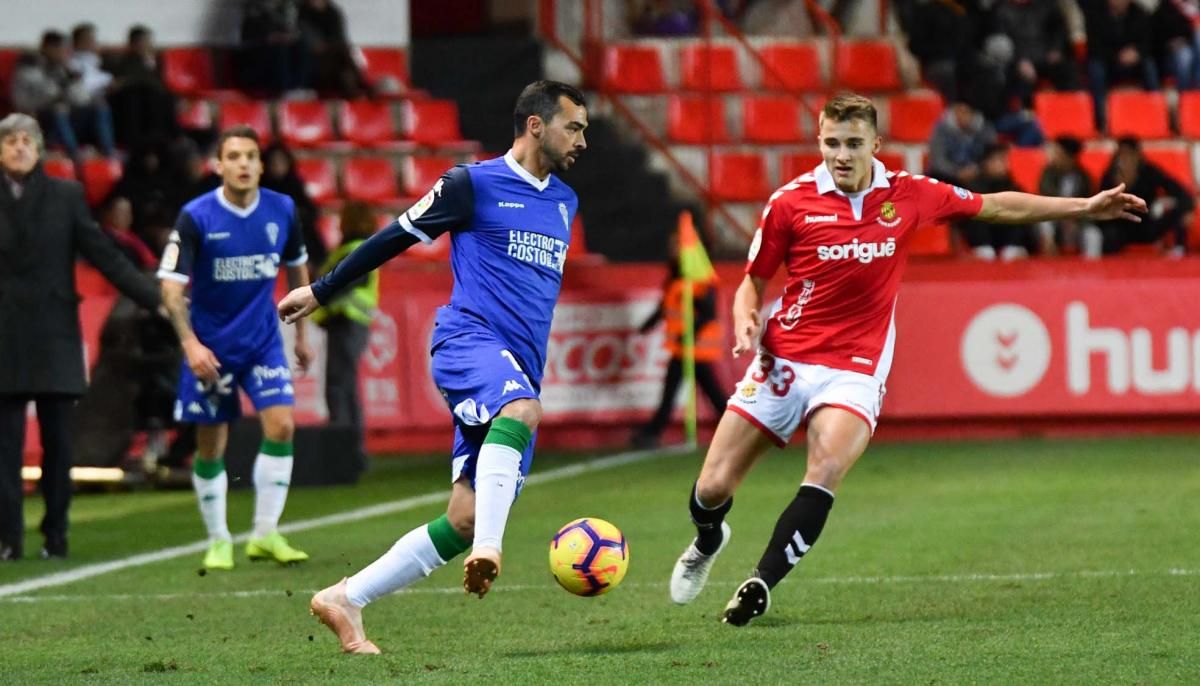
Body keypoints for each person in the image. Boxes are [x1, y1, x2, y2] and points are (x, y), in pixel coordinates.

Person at [666, 93, 1146, 627]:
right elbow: (752, 281)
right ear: (819, 141)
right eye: (831, 143)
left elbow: (995, 204)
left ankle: (760, 582)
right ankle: (709, 538)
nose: (841, 155)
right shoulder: (790, 203)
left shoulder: (908, 194)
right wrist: (746, 319)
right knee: (711, 489)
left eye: (852, 143)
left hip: (855, 367)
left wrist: (1083, 207)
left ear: (876, 144)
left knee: (825, 465)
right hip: (785, 360)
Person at [276, 80, 588, 654]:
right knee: (522, 411)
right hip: (467, 343)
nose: (583, 140)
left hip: (518, 366)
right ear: (536, 125)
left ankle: (345, 598)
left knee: (463, 516)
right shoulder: (471, 184)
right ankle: (490, 550)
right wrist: (321, 291)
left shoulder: (565, 202)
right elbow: (394, 237)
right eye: (575, 126)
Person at [0, 113, 160, 561]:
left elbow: (106, 256)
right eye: (10, 140)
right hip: (5, 337)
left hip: (54, 336)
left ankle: (56, 537)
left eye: (26, 140)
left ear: (39, 149)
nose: (18, 147)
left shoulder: (66, 196)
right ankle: (7, 539)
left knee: (59, 446)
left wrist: (156, 298)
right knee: (4, 449)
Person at [157, 125, 314, 571]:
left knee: (282, 426)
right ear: (218, 165)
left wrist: (302, 334)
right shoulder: (196, 216)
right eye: (234, 156)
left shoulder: (282, 209)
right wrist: (190, 345)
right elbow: (170, 290)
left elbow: (298, 270)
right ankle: (219, 538)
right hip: (211, 347)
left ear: (261, 165)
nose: (243, 164)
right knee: (211, 445)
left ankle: (264, 533)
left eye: (251, 156)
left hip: (263, 340)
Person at [631, 228, 727, 449]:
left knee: (710, 394)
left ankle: (652, 432)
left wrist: (689, 334)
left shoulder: (699, 279)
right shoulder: (675, 278)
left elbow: (708, 314)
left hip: (696, 349)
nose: (673, 249)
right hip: (681, 348)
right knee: (690, 392)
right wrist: (647, 325)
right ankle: (652, 432)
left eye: (677, 245)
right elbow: (665, 307)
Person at [311, 201, 380, 471]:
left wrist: (320, 297)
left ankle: (345, 452)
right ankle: (351, 450)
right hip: (352, 323)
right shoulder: (361, 247)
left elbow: (340, 284)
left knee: (340, 388)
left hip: (346, 322)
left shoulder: (353, 249)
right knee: (346, 387)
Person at [1094, 137, 1195, 256]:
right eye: (1122, 155)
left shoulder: (1149, 171)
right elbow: (1100, 204)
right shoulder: (1109, 175)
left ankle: (1178, 251)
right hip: (1118, 227)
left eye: (1129, 155)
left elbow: (1181, 193)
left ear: (1137, 155)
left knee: (1180, 210)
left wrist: (1186, 210)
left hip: (1145, 225)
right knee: (1108, 232)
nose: (1126, 159)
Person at [961, 144, 1038, 260]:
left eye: (1004, 160)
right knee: (976, 207)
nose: (1002, 164)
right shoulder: (973, 187)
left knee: (1019, 208)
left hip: (1009, 238)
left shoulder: (1014, 186)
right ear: (986, 163)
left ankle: (1014, 247)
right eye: (997, 160)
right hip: (984, 238)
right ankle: (983, 248)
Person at [1037, 136, 1093, 255]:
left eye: (1058, 153)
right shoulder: (1048, 174)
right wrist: (1063, 213)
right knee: (1044, 224)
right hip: (1052, 215)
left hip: (1076, 219)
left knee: (1093, 235)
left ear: (1069, 157)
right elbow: (1045, 199)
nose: (1054, 157)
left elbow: (1090, 206)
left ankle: (1091, 268)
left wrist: (1075, 218)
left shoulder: (1084, 178)